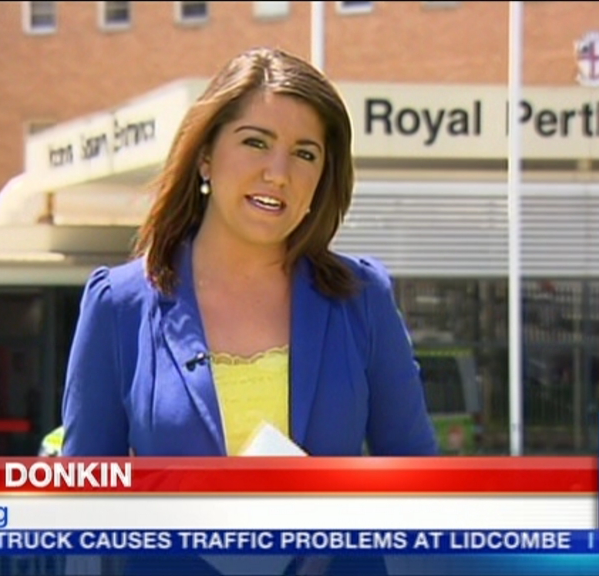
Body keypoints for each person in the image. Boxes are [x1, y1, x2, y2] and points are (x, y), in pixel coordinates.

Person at [62, 46, 437, 460]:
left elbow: (416, 475)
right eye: (256, 143)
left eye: (305, 154)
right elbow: (86, 487)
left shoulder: (362, 299)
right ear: (205, 157)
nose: (278, 174)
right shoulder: (119, 305)